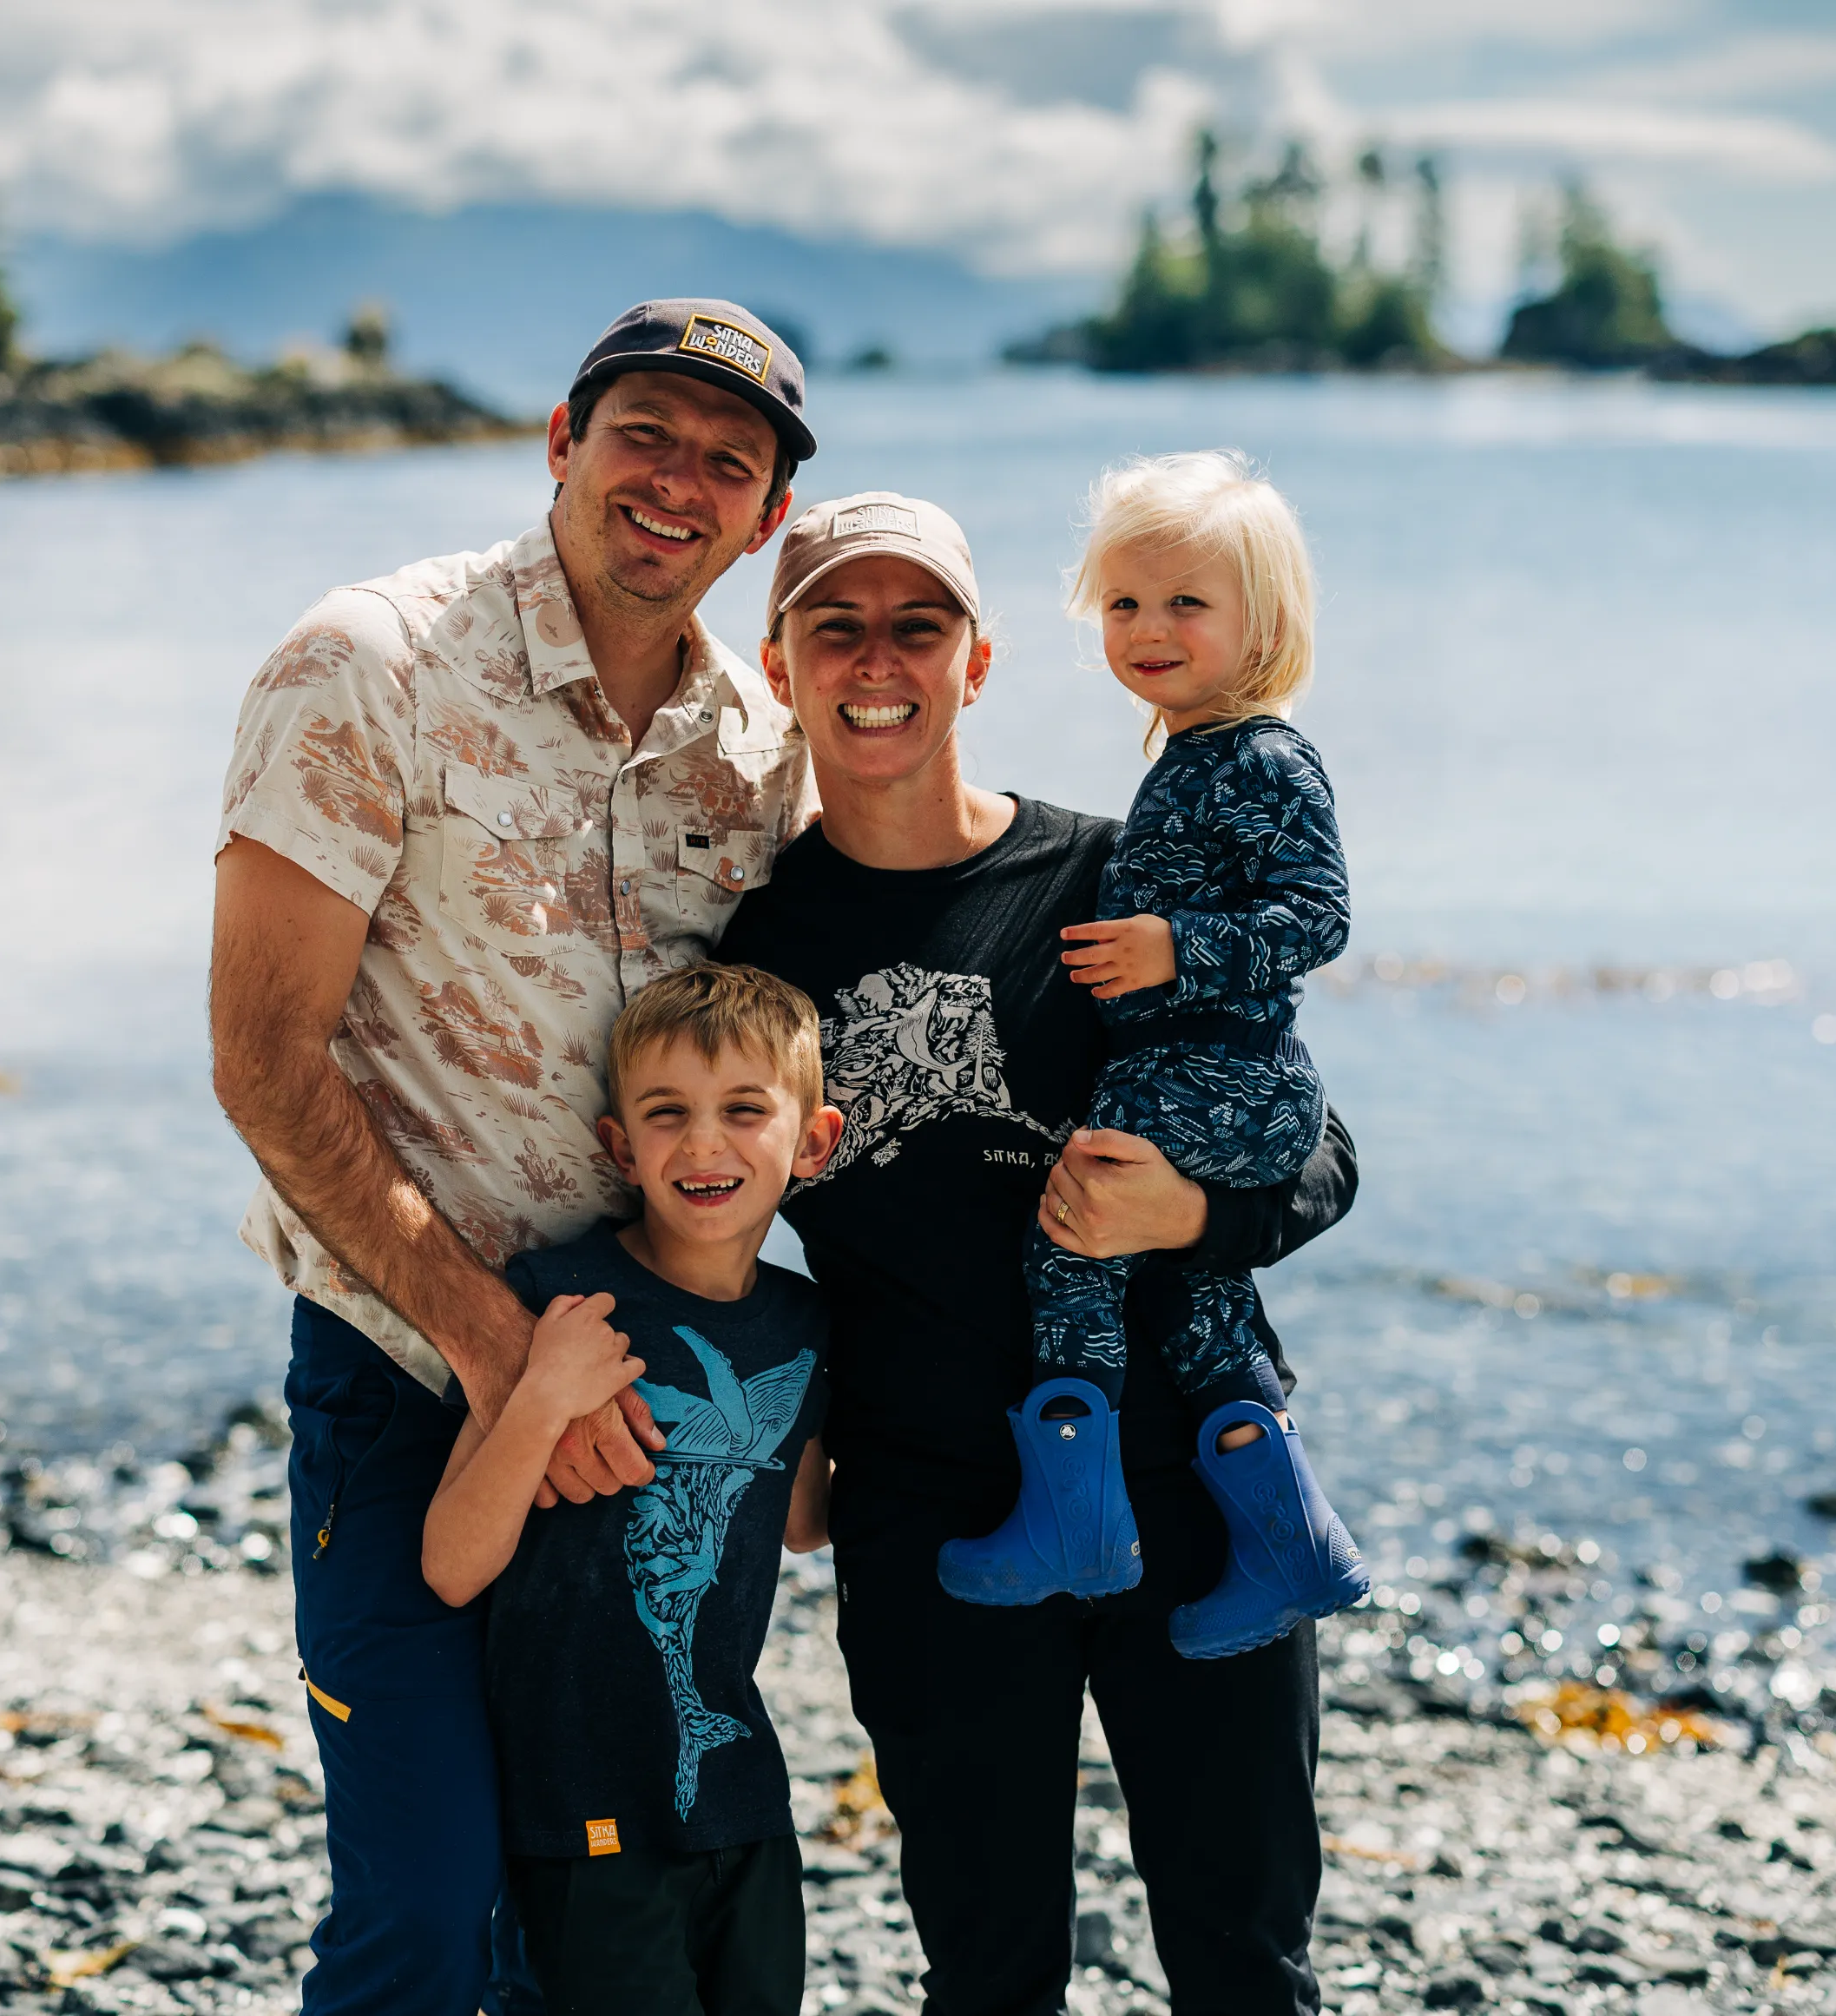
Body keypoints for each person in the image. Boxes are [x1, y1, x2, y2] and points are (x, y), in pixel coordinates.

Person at [207, 299, 819, 2016]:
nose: (675, 484)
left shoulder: (754, 756)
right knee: (419, 1915)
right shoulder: (371, 665)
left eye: (728, 461)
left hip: (648, 1427)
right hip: (412, 1389)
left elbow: (815, 1048)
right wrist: (505, 1363)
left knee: (591, 1925)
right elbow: (260, 1061)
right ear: (560, 441)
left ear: (763, 515)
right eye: (644, 434)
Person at [716, 490, 1356, 2016]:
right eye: (836, 627)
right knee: (987, 1963)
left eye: (916, 627)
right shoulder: (749, 947)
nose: (878, 661)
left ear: (976, 662)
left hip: (1188, 1474)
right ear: (777, 664)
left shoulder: (1107, 883)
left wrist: (1190, 1217)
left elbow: (1312, 1148)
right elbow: (709, 1218)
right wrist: (785, 1435)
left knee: (1243, 1950)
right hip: (933, 1508)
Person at [938, 451, 1371, 1661]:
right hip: (1212, 1074)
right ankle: (1291, 1544)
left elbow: (1318, 919)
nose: (1147, 628)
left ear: (1262, 619)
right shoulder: (1192, 752)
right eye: (1124, 603)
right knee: (1195, 1303)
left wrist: (1174, 947)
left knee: (1072, 1229)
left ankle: (1073, 1526)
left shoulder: (1262, 757)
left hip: (1218, 1070)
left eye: (1184, 602)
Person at [423, 963, 841, 2016]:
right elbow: (452, 1566)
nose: (704, 1144)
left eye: (746, 1111)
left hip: (741, 1792)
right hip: (583, 1809)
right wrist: (540, 1397)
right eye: (668, 1114)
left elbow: (797, 1526)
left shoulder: (807, 1324)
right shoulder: (554, 1300)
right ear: (621, 1147)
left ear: (813, 1141)